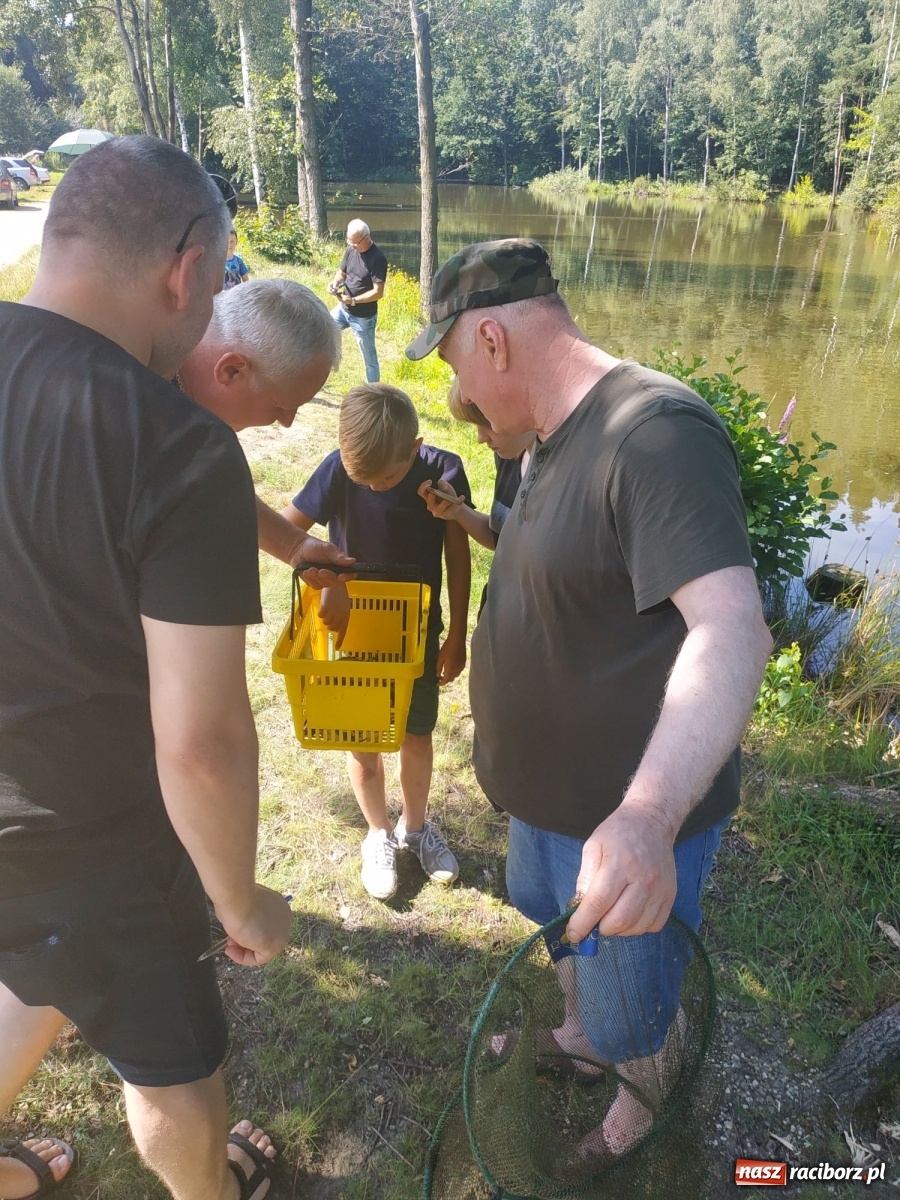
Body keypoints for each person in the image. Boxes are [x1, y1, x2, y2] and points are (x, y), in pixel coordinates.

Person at [406, 238, 773, 1152]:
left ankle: (637, 1108)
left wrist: (647, 815)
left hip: (621, 831)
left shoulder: (655, 434)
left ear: (491, 339)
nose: (458, 393)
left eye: (453, 364)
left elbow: (732, 627)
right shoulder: (545, 435)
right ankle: (578, 1040)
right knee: (557, 934)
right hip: (542, 806)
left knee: (633, 1010)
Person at [0, 135, 291, 1200]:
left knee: (36, 964)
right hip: (93, 837)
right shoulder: (177, 445)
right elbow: (202, 744)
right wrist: (239, 900)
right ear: (187, 267)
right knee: (176, 1071)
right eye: (216, 285)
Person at [282, 383, 471, 900]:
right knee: (363, 741)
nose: (374, 487)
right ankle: (378, 832)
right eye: (362, 479)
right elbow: (289, 531)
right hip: (354, 636)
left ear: (415, 448)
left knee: (416, 735)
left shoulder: (443, 473)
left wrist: (456, 634)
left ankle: (415, 827)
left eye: (385, 479)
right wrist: (330, 579)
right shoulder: (338, 470)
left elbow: (458, 556)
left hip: (417, 637)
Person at [177, 277, 353, 575]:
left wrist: (293, 545)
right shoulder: (137, 402)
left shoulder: (196, 412)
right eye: (281, 406)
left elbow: (217, 483)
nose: (287, 422)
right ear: (232, 370)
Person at [419, 377, 535, 552]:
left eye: (488, 422)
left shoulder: (558, 476)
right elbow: (501, 541)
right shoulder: (508, 456)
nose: (480, 438)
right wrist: (458, 511)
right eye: (475, 425)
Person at [328, 219, 387, 383]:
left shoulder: (378, 258)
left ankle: (373, 391)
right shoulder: (350, 250)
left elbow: (378, 293)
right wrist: (334, 284)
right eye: (349, 241)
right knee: (323, 330)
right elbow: (342, 273)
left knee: (369, 360)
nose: (352, 246)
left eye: (355, 243)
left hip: (363, 317)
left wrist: (353, 300)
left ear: (367, 239)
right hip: (343, 310)